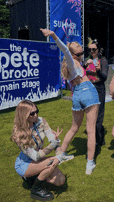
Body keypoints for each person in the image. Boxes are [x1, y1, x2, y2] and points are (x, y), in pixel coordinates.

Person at [40, 29, 99, 175]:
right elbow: (64, 48)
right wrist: (53, 35)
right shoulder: (72, 62)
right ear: (72, 55)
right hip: (88, 93)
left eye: (81, 53)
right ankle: (90, 163)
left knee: (74, 128)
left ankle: (61, 155)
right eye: (78, 54)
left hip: (77, 96)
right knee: (91, 131)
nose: (81, 56)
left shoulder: (71, 66)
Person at [11, 100, 65, 202]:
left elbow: (54, 140)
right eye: (32, 113)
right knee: (52, 161)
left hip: (39, 159)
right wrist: (53, 148)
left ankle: (35, 178)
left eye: (37, 111)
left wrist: (59, 156)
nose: (36, 115)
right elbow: (35, 156)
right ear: (23, 115)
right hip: (25, 163)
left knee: (61, 181)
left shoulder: (41, 121)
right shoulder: (18, 133)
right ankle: (36, 189)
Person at [82, 38, 109, 147]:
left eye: (94, 49)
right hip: (88, 88)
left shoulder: (103, 60)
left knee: (99, 114)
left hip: (98, 88)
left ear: (98, 49)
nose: (92, 51)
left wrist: (98, 70)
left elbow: (104, 78)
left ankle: (99, 139)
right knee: (90, 114)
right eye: (90, 50)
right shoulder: (87, 60)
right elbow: (80, 72)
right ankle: (93, 137)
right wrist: (84, 65)